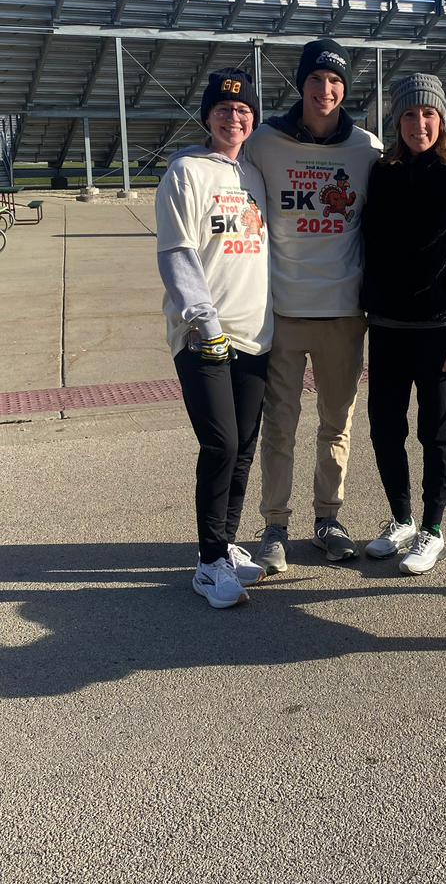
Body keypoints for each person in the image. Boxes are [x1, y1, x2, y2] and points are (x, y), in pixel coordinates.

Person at [244, 38, 382, 570]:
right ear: (301, 84)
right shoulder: (265, 142)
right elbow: (225, 172)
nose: (326, 90)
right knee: (279, 425)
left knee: (336, 424)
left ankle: (328, 518)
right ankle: (274, 526)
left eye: (336, 82)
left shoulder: (365, 148)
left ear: (345, 89)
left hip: (344, 314)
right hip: (281, 311)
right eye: (317, 79)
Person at [155, 67, 273, 609]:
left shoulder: (253, 174)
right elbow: (177, 252)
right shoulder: (186, 172)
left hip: (254, 333)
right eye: (224, 110)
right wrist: (204, 321)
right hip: (205, 335)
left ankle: (226, 544)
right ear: (207, 115)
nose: (234, 117)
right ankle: (207, 563)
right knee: (220, 443)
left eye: (244, 110)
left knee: (244, 446)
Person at [360, 73, 446, 575]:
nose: (419, 124)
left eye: (428, 114)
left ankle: (433, 530)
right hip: (387, 326)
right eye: (409, 115)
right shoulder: (381, 174)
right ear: (397, 121)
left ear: (442, 120)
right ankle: (401, 520)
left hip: (439, 332)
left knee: (436, 434)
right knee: (384, 429)